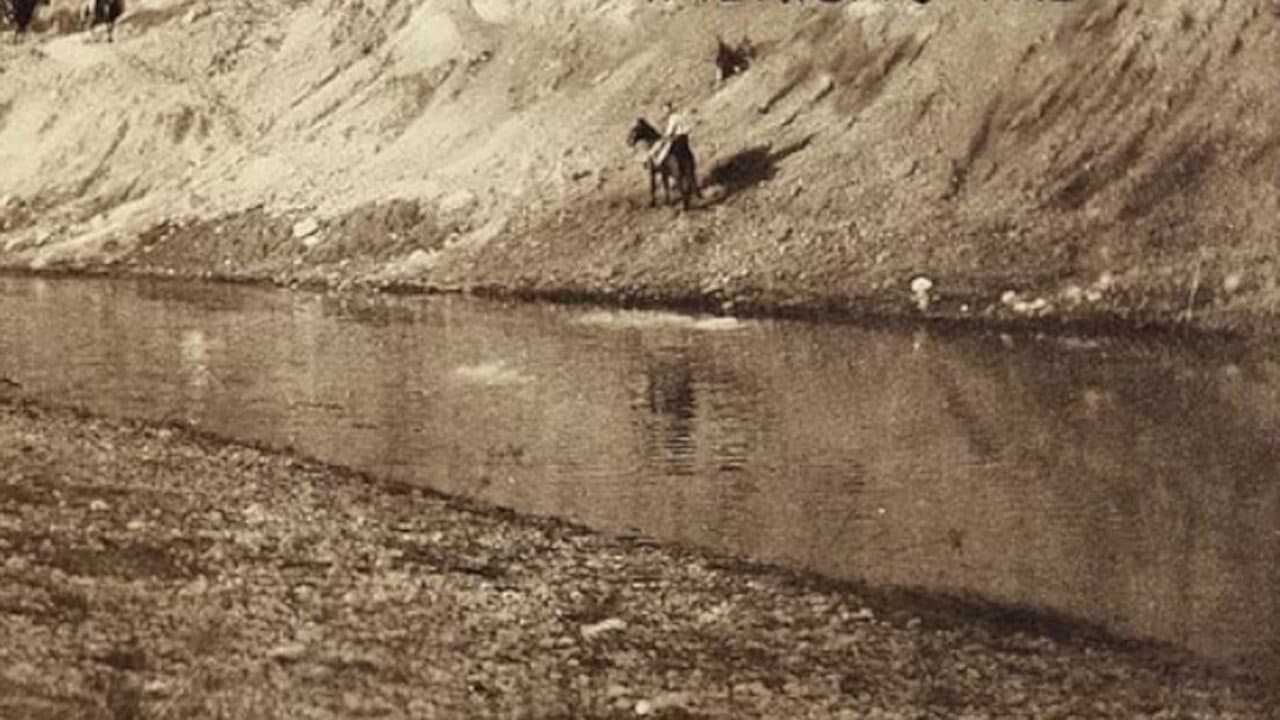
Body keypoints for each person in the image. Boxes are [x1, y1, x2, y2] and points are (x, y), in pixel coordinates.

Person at [651, 102, 691, 168]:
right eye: (664, 110)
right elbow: (688, 127)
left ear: (669, 109)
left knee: (665, 147)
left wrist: (663, 138)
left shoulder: (673, 118)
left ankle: (657, 162)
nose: (665, 112)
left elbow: (669, 132)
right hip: (684, 139)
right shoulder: (678, 116)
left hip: (678, 138)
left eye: (666, 110)